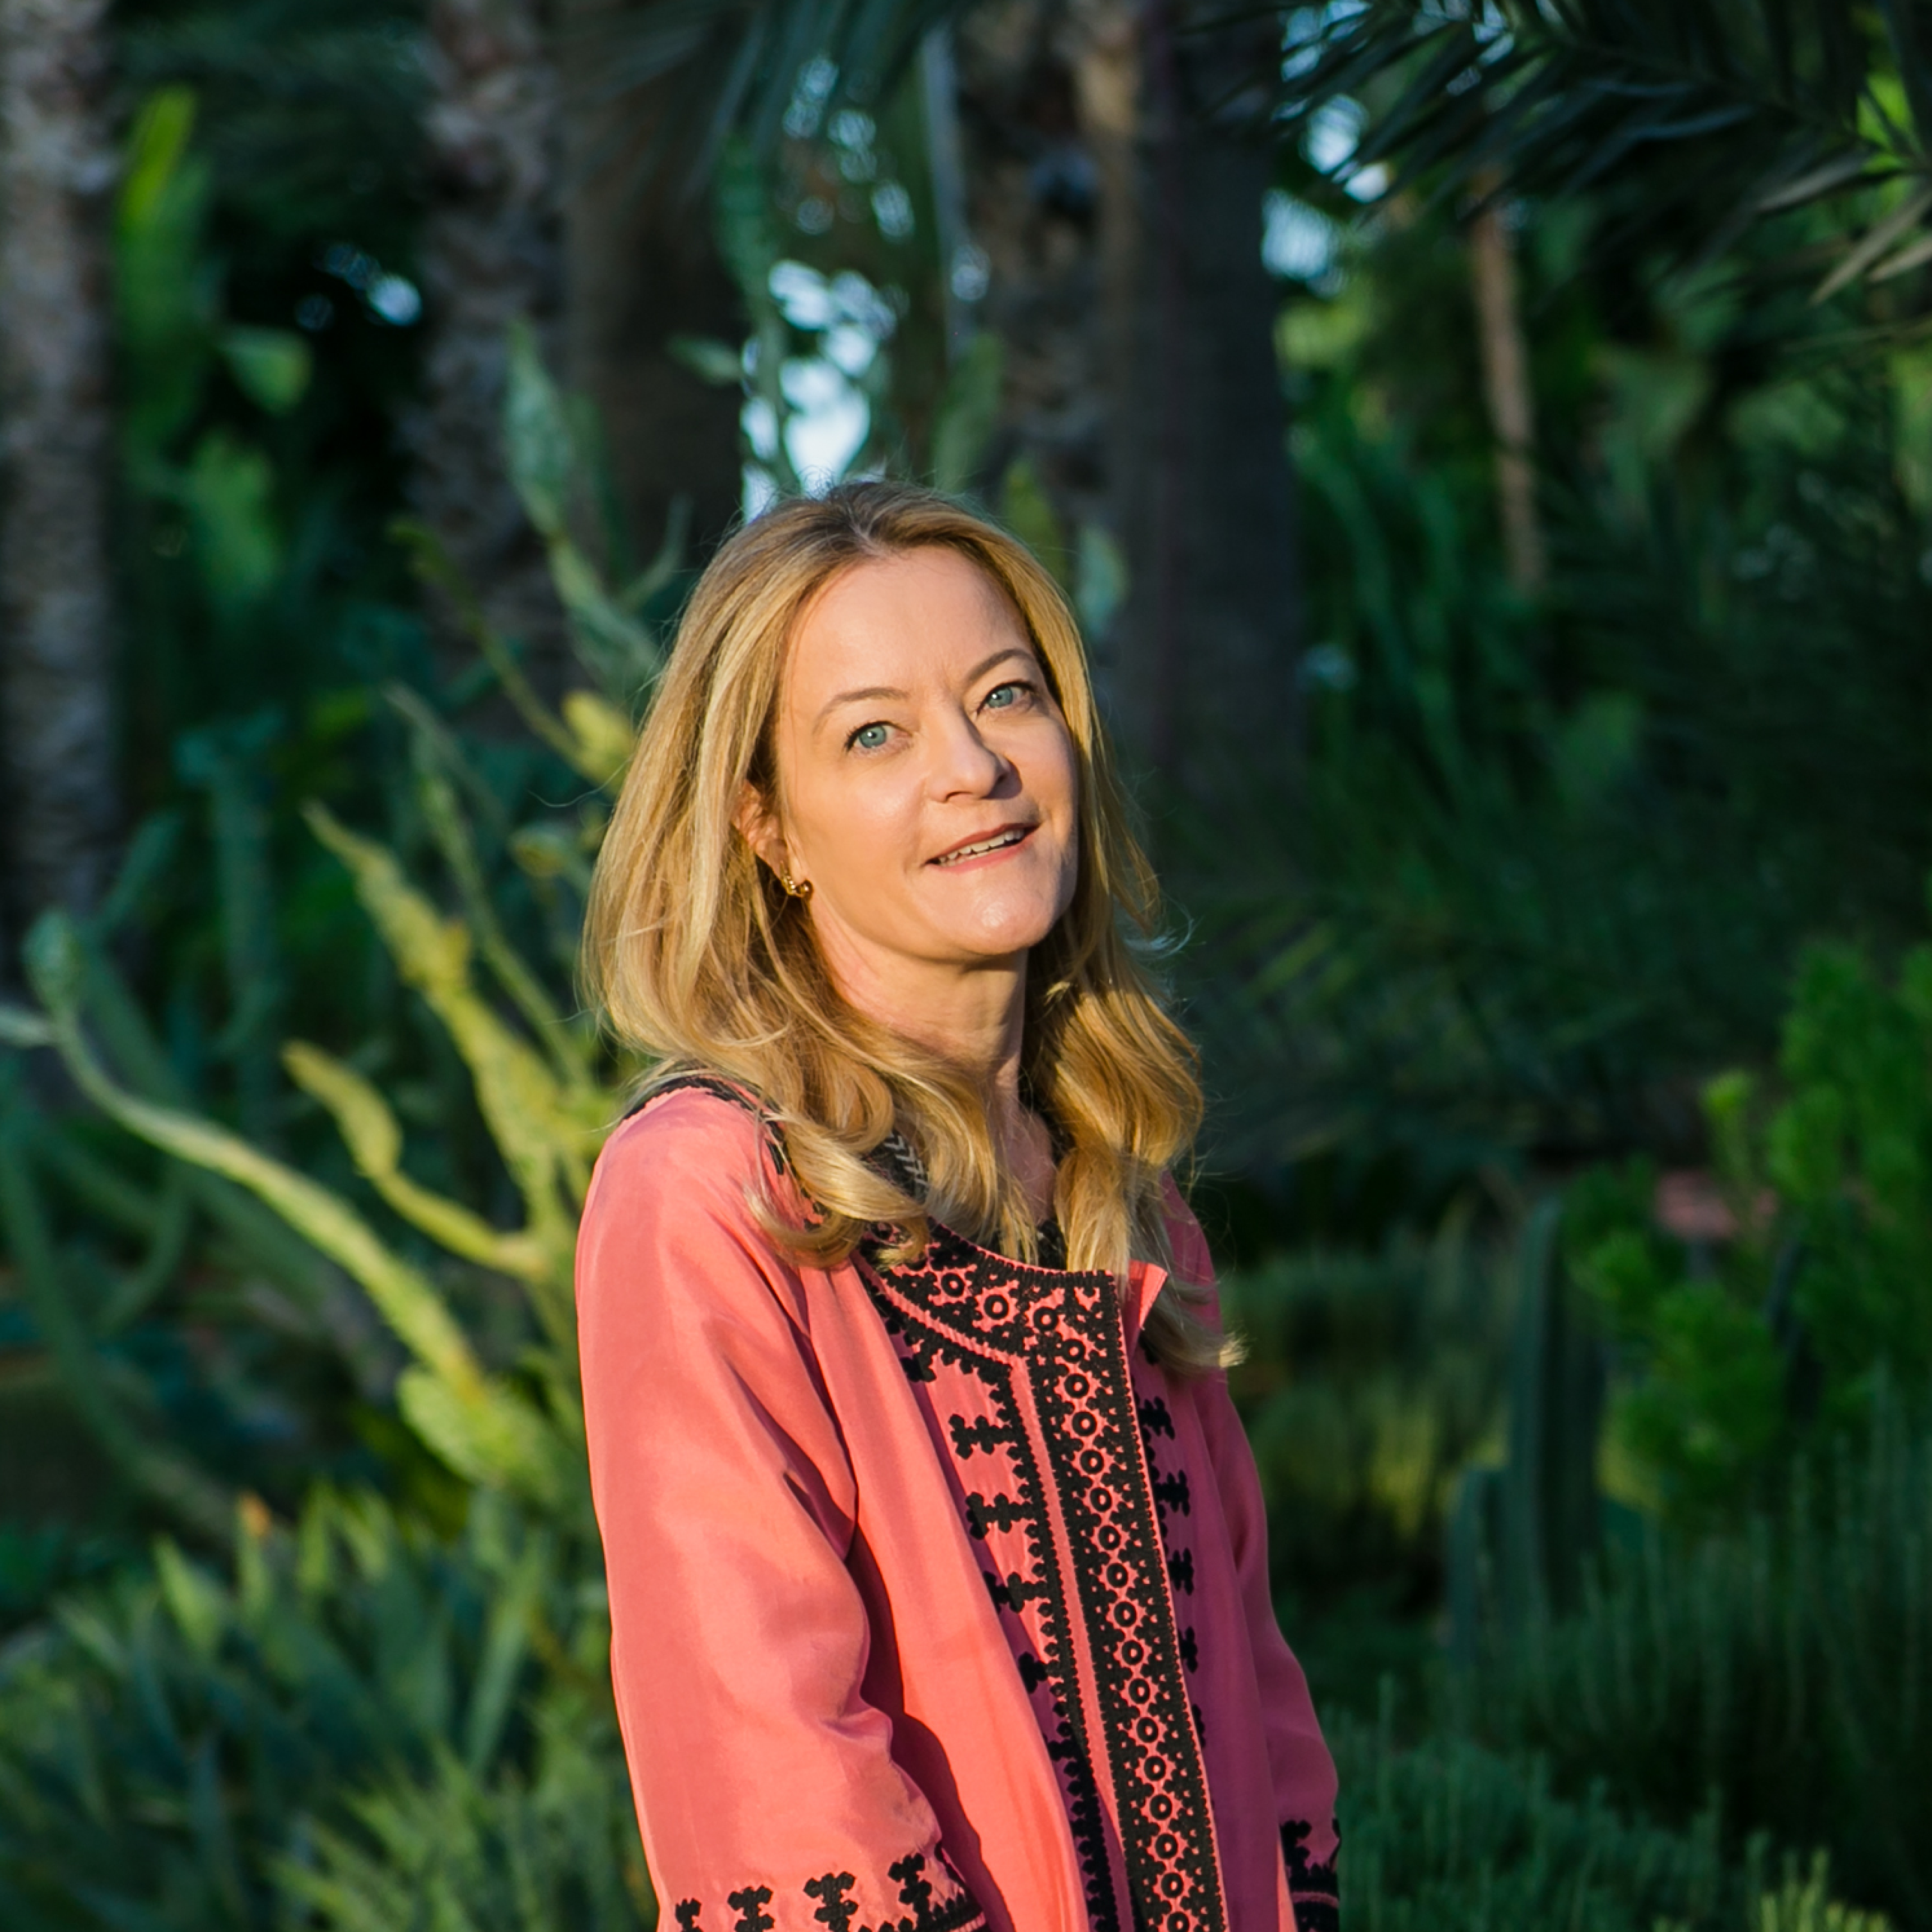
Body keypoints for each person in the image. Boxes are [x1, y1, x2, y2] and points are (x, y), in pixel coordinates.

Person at [576, 482, 1339, 1932]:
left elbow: (1256, 1683)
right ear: (768, 831)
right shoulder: (710, 1194)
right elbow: (766, 1752)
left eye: (1007, 697)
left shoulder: (1128, 1191)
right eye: (876, 734)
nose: (975, 767)